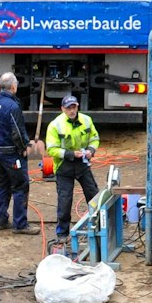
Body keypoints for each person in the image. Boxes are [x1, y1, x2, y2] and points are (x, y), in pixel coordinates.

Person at [45, 94, 101, 241]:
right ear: (62, 109)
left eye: (74, 107)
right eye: (68, 108)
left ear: (77, 107)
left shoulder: (86, 120)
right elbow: (51, 149)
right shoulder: (55, 125)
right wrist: (70, 154)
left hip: (82, 164)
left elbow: (94, 138)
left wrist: (91, 150)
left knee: (94, 195)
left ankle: (99, 226)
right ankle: (62, 234)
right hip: (65, 166)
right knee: (65, 200)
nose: (72, 110)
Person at [0, 72, 37, 233]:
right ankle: (20, 224)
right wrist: (24, 148)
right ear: (14, 86)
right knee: (21, 185)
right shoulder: (12, 106)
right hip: (10, 153)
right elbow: (17, 131)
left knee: (3, 183)